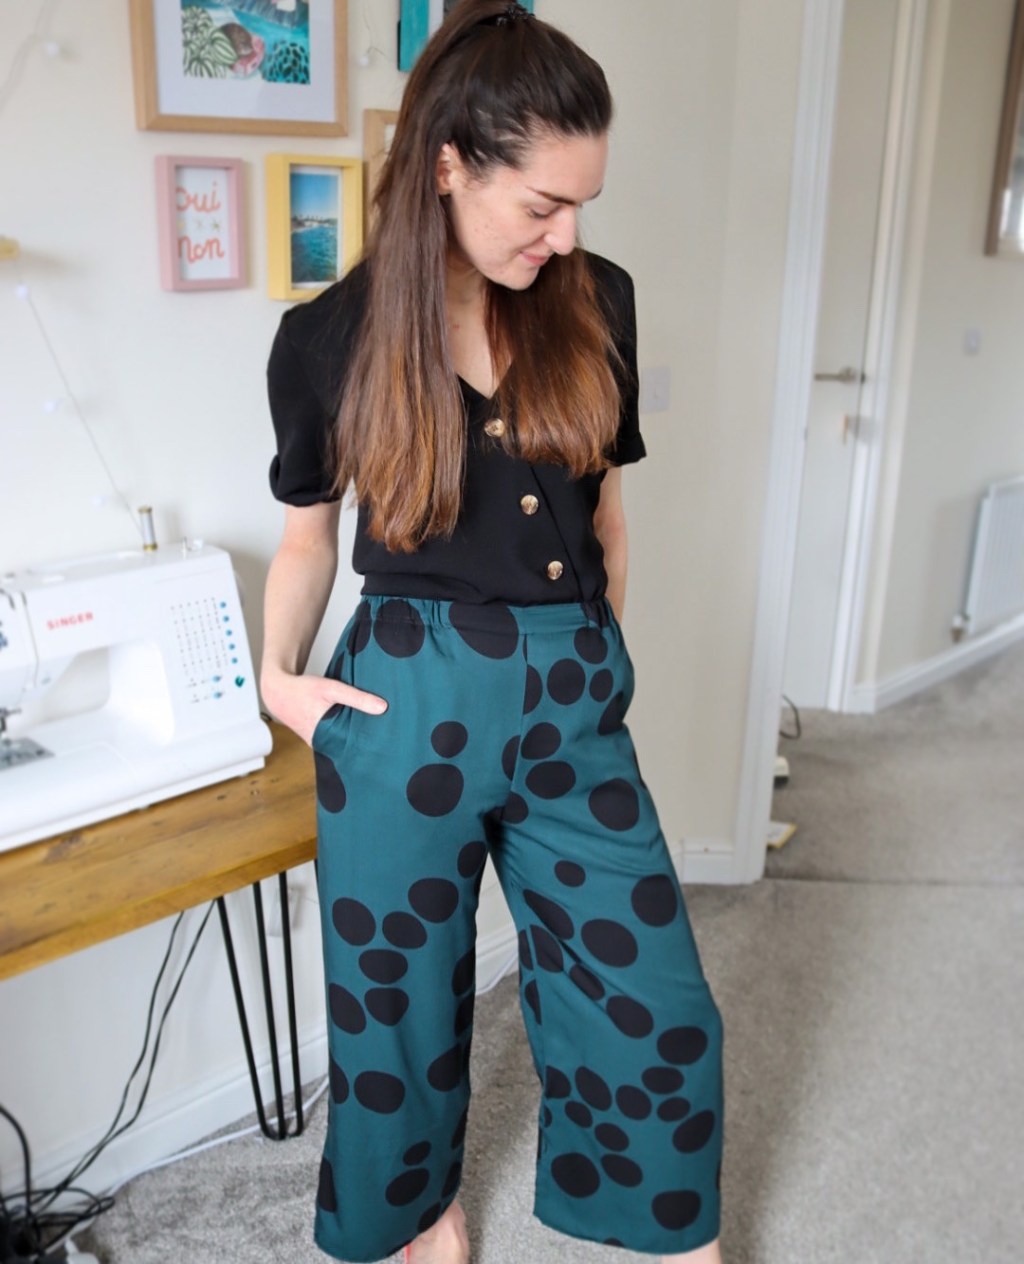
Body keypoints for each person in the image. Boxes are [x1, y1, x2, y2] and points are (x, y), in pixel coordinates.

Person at [261, 2, 724, 1261]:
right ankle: (417, 1220)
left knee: (655, 999)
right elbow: (306, 541)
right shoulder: (327, 338)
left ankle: (667, 1227)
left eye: (582, 204)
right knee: (393, 1010)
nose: (565, 234)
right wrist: (277, 682)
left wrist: (599, 656)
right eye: (543, 203)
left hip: (570, 695)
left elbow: (606, 513)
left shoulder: (598, 301)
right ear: (450, 165)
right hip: (404, 705)